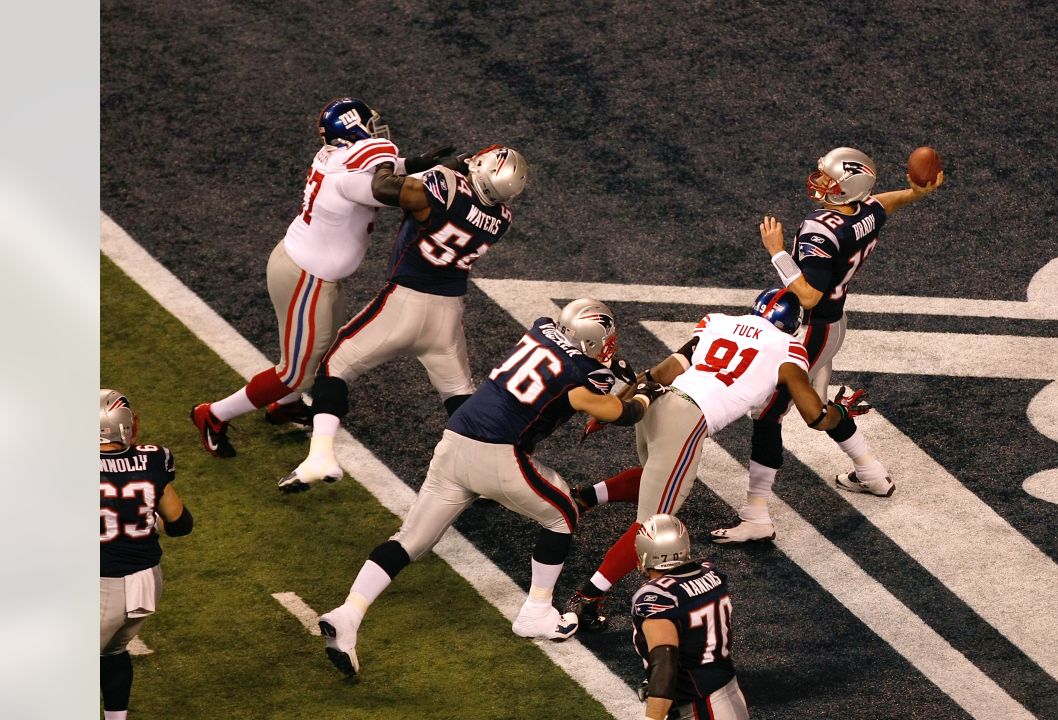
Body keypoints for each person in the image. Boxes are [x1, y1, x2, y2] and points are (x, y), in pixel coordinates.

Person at [316, 299, 662, 676]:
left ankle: (349, 613)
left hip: (455, 439)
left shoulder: (542, 327)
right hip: (498, 452)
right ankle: (537, 612)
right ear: (596, 343)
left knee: (410, 539)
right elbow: (618, 413)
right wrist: (645, 394)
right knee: (563, 513)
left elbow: (575, 365)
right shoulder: (582, 374)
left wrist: (609, 371)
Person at [566, 288, 870, 629]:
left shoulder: (719, 322)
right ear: (793, 325)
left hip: (656, 404)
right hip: (687, 419)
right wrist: (841, 414)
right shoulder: (789, 348)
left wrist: (620, 403)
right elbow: (815, 416)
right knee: (654, 524)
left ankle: (584, 498)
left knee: (661, 476)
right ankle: (588, 598)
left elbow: (662, 372)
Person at [191, 96, 456, 457]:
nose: (377, 128)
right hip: (306, 278)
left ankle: (283, 405)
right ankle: (213, 414)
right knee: (296, 374)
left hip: (311, 273)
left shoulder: (339, 158)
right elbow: (389, 190)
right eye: (369, 123)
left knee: (320, 355)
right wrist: (444, 178)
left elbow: (379, 171)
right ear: (356, 128)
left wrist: (414, 163)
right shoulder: (355, 176)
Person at [714, 147, 944, 543]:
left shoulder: (822, 230)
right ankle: (871, 473)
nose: (820, 182)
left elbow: (808, 296)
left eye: (829, 179)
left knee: (769, 416)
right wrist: (915, 193)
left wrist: (778, 252)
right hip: (834, 324)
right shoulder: (864, 213)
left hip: (811, 329)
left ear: (846, 189)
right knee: (815, 412)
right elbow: (882, 204)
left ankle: (756, 516)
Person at [278, 143, 528, 492]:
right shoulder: (502, 219)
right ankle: (488, 477)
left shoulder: (444, 184)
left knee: (334, 366)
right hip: (448, 313)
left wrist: (384, 164)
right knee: (459, 396)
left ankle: (319, 455)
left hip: (405, 301)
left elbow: (385, 189)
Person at [100, 390, 194, 719]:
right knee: (113, 652)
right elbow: (181, 524)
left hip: (102, 586)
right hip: (146, 583)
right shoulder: (154, 459)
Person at [632, 514, 749, 720]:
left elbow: (665, 660)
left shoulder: (658, 595)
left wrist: (652, 716)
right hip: (729, 692)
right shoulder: (711, 574)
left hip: (700, 707)